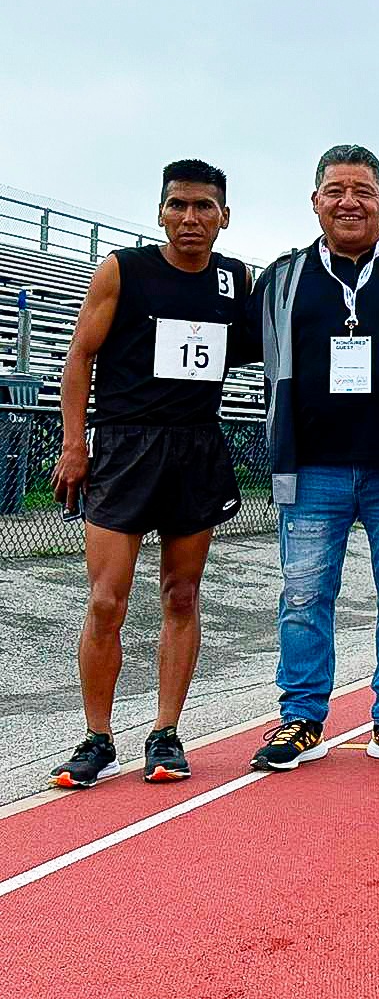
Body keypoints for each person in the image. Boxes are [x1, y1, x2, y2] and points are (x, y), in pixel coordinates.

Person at [235, 145, 379, 772]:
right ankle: (301, 719)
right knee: (304, 596)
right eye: (335, 190)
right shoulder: (283, 277)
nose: (349, 202)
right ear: (314, 202)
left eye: (362, 191)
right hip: (311, 469)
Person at [47, 160, 250, 787]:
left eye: (203, 206)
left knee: (182, 596)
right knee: (107, 600)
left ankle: (165, 734)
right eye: (177, 205)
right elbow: (80, 355)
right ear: (161, 212)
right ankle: (97, 736)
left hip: (195, 448)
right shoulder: (123, 269)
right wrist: (74, 445)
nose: (190, 217)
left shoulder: (236, 280)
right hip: (124, 446)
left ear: (223, 215)